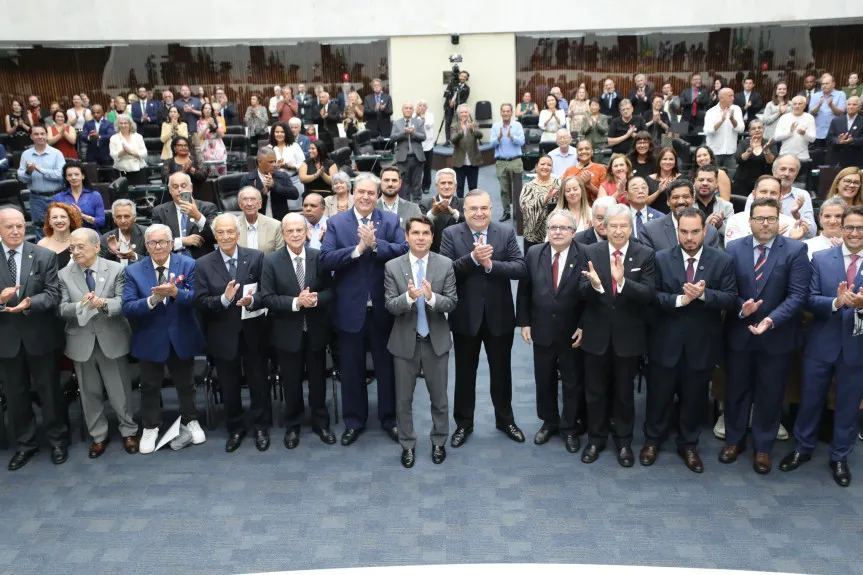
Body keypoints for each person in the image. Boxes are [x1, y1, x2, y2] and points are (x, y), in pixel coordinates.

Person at [641, 207, 737, 472]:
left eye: (695, 232)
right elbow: (651, 298)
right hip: (665, 342)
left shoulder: (722, 261)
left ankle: (689, 445)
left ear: (705, 231)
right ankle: (652, 441)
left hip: (701, 344)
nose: (690, 237)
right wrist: (679, 300)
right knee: (658, 396)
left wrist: (705, 296)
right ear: (676, 231)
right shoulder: (659, 259)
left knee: (694, 399)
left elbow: (731, 299)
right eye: (684, 231)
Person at [721, 197, 809, 474]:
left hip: (776, 336)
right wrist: (741, 308)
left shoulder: (795, 250)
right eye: (759, 218)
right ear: (750, 221)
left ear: (779, 219)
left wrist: (771, 320)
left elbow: (798, 296)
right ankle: (734, 441)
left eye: (771, 218)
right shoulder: (734, 248)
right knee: (736, 392)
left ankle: (763, 447)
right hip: (740, 333)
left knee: (770, 395)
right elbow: (729, 291)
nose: (765, 223)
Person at [319, 172, 408, 445]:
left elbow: (404, 251)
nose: (366, 197)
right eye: (362, 192)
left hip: (384, 309)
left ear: (377, 195)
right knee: (351, 369)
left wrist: (376, 245)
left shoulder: (390, 220)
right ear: (353, 193)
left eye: (372, 193)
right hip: (349, 310)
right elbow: (325, 259)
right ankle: (354, 421)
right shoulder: (336, 223)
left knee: (386, 369)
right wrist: (358, 249)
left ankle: (389, 419)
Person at [780, 205, 863, 486]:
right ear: (840, 228)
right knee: (810, 399)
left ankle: (839, 456)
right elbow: (808, 299)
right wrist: (837, 303)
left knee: (848, 405)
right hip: (820, 343)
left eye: (860, 228)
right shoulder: (820, 258)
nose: (853, 232)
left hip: (856, 347)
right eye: (849, 226)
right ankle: (802, 448)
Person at [439, 189, 528, 448]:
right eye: (473, 209)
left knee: (502, 373)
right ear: (464, 211)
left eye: (484, 208)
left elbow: (520, 268)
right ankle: (463, 424)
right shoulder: (451, 234)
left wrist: (491, 266)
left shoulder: (506, 232)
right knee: (465, 375)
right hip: (465, 318)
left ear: (491, 209)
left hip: (499, 317)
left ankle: (505, 420)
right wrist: (472, 260)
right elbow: (445, 271)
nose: (479, 213)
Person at [578, 203, 656, 467]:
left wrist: (622, 283)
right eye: (614, 226)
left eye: (624, 226)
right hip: (595, 336)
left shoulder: (644, 254)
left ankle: (624, 443)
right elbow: (578, 292)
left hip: (628, 338)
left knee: (624, 394)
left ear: (631, 227)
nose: (619, 231)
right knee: (595, 392)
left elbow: (648, 294)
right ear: (604, 227)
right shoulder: (590, 251)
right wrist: (597, 286)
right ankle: (595, 439)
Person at [121, 223, 206, 454]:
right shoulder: (133, 271)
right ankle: (150, 426)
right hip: (150, 337)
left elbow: (197, 298)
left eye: (163, 242)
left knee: (186, 384)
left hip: (181, 335)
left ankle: (190, 419)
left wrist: (176, 293)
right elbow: (127, 306)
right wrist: (151, 301)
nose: (158, 247)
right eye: (152, 243)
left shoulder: (188, 264)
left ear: (171, 244)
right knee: (149, 386)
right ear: (146, 246)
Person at [58, 228, 139, 458]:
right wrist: (80, 306)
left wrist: (103, 303)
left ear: (96, 247)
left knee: (120, 391)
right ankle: (98, 436)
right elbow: (62, 308)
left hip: (111, 338)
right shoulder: (65, 274)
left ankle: (128, 431)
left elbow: (124, 302)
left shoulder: (115, 269)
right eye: (72, 247)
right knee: (89, 393)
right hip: (81, 341)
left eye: (80, 246)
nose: (75, 252)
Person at [384, 215, 457, 468]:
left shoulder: (445, 264)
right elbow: (391, 306)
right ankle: (407, 445)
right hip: (405, 343)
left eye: (426, 233)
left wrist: (430, 297)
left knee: (440, 399)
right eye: (415, 233)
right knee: (403, 400)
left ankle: (439, 442)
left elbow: (451, 302)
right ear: (406, 236)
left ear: (432, 236)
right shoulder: (393, 266)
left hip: (436, 341)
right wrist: (408, 298)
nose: (421, 238)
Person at [0, 207, 68, 470]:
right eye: (9, 227)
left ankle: (58, 440)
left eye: (20, 225)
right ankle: (25, 444)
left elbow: (53, 294)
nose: (16, 231)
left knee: (49, 393)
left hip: (40, 337)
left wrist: (29, 302)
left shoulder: (43, 255)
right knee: (16, 396)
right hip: (6, 340)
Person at [194, 214, 270, 452]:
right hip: (222, 334)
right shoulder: (203, 263)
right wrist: (223, 299)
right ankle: (235, 428)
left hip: (253, 331)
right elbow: (200, 302)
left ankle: (260, 426)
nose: (226, 236)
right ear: (215, 236)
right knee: (229, 385)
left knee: (258, 382)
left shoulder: (256, 257)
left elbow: (265, 292)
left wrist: (252, 300)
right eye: (221, 232)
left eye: (230, 232)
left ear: (238, 234)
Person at [262, 212, 336, 448]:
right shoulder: (271, 261)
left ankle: (320, 423)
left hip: (315, 331)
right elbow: (267, 298)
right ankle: (292, 425)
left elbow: (331, 291)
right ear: (283, 235)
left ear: (307, 233)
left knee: (318, 381)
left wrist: (314, 300)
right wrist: (296, 302)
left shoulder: (319, 257)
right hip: (286, 332)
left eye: (299, 230)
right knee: (291, 382)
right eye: (290, 231)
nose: (295, 234)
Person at [517, 209, 586, 453]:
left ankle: (569, 427)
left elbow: (592, 298)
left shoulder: (585, 254)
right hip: (542, 328)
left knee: (572, 381)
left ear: (573, 232)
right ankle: (549, 421)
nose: (557, 232)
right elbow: (524, 290)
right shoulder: (535, 253)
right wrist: (524, 322)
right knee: (543, 378)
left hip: (572, 333)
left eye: (563, 228)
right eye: (553, 228)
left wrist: (583, 326)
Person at [741, 154, 817, 239]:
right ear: (773, 170)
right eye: (783, 169)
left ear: (797, 173)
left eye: (792, 170)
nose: (787, 173)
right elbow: (746, 228)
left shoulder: (802, 196)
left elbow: (811, 234)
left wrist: (797, 216)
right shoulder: (756, 195)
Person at [640, 179, 722, 251]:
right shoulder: (650, 230)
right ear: (668, 201)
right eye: (675, 197)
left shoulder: (710, 232)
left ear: (693, 199)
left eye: (686, 197)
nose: (681, 201)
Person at [151, 172, 218, 260]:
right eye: (175, 187)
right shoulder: (159, 211)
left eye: (183, 186)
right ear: (170, 190)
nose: (179, 190)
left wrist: (197, 216)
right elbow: (156, 241)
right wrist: (182, 241)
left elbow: (215, 236)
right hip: (172, 261)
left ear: (191, 188)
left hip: (202, 262)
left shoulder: (208, 207)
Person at [726, 175, 806, 246]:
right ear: (753, 194)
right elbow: (733, 252)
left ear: (780, 197)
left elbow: (792, 256)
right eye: (763, 192)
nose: (768, 196)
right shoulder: (736, 220)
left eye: (773, 193)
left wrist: (791, 241)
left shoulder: (790, 223)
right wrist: (772, 237)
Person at [17, 124, 65, 236]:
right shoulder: (26, 154)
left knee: (59, 228)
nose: (40, 136)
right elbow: (22, 178)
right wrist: (29, 171)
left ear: (46, 135)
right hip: (36, 198)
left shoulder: (56, 153)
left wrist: (40, 169)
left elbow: (61, 175)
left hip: (56, 196)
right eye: (36, 134)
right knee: (39, 229)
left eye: (42, 133)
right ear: (31, 136)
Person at [243, 145, 300, 222]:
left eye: (274, 161)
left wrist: (275, 186)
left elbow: (295, 194)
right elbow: (243, 202)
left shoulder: (282, 176)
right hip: (257, 222)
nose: (274, 164)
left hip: (279, 222)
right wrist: (263, 192)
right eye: (270, 162)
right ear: (260, 162)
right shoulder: (248, 179)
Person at [491, 103, 525, 222]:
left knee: (518, 189)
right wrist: (499, 137)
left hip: (515, 161)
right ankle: (506, 212)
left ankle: (518, 212)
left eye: (508, 111)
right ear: (501, 112)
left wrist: (511, 137)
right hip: (501, 162)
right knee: (504, 190)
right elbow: (492, 144)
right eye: (503, 111)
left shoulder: (517, 125)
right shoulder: (496, 126)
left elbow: (522, 142)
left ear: (511, 113)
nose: (506, 113)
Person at [520, 155, 560, 253]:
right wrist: (544, 199)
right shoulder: (528, 187)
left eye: (549, 165)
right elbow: (524, 207)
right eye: (542, 164)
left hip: (555, 233)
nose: (545, 167)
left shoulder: (558, 184)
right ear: (536, 167)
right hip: (533, 235)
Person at [51, 159, 105, 231]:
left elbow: (101, 222)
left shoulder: (95, 195)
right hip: (67, 234)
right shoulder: (58, 198)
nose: (73, 178)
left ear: (83, 176)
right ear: (66, 178)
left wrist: (82, 216)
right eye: (70, 175)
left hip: (90, 234)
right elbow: (53, 220)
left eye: (76, 174)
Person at [391, 101, 426, 203]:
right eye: (406, 108)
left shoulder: (419, 122)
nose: (408, 110)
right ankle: (405, 209)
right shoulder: (397, 123)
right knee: (404, 186)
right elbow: (392, 138)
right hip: (402, 159)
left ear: (413, 110)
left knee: (416, 186)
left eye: (410, 108)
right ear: (402, 110)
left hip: (416, 158)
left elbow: (423, 137)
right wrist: (404, 132)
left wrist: (413, 133)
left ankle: (418, 210)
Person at [420, 168, 461, 253]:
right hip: (431, 253)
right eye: (443, 183)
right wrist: (433, 212)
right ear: (436, 186)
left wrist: (453, 213)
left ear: (455, 186)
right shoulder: (425, 203)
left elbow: (470, 223)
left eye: (450, 183)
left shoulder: (464, 203)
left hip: (457, 252)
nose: (446, 186)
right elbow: (419, 226)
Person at [732, 119, 777, 197]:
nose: (757, 130)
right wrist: (750, 149)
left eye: (759, 128)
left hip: (763, 183)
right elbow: (739, 159)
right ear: (749, 131)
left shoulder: (770, 143)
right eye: (754, 128)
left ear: (763, 129)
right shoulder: (743, 143)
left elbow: (771, 161)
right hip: (743, 182)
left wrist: (766, 150)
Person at [691, 164, 735, 241]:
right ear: (694, 181)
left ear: (717, 183)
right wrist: (706, 225)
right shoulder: (687, 205)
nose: (705, 183)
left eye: (709, 180)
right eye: (701, 180)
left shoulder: (727, 206)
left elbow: (732, 235)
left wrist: (720, 226)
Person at [236, 187, 285, 254]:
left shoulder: (275, 226)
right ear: (240, 205)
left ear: (260, 204)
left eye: (253, 199)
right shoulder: (233, 225)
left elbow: (280, 255)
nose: (249, 204)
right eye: (245, 199)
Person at [703, 88, 743, 168]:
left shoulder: (736, 109)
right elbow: (707, 131)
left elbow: (741, 129)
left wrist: (732, 119)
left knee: (731, 178)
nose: (733, 98)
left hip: (731, 152)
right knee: (714, 177)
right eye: (730, 96)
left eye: (733, 95)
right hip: (714, 153)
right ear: (721, 98)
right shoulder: (711, 112)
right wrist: (721, 121)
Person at [99, 199, 148, 265]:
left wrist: (134, 256)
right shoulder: (106, 238)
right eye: (119, 217)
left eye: (126, 216)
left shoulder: (147, 234)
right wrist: (112, 252)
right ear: (114, 219)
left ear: (134, 218)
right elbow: (101, 265)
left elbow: (155, 261)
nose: (123, 220)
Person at [773, 96, 816, 164]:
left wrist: (804, 134)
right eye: (795, 104)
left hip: (802, 157)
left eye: (800, 104)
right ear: (792, 105)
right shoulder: (784, 117)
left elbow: (812, 139)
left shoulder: (809, 118)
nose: (797, 106)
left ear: (804, 106)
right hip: (785, 156)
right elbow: (776, 137)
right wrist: (790, 132)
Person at [451, 104, 483, 197]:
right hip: (459, 162)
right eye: (462, 112)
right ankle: (460, 208)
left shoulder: (474, 123)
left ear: (468, 113)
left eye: (465, 112)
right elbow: (453, 140)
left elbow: (480, 135)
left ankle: (472, 206)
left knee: (473, 187)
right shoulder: (454, 126)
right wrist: (461, 131)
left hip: (473, 161)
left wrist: (472, 129)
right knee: (459, 187)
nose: (464, 114)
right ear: (458, 114)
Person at [563, 139, 606, 206]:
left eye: (587, 149)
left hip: (594, 209)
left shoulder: (601, 169)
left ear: (592, 152)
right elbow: (563, 193)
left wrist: (589, 185)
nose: (583, 151)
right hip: (573, 208)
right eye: (580, 149)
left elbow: (605, 196)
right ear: (577, 154)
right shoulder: (569, 171)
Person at [38, 202, 79, 270]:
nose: (59, 220)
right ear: (49, 222)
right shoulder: (42, 244)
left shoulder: (79, 241)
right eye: (54, 217)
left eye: (63, 217)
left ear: (70, 220)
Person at [809, 74, 847, 147]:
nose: (824, 85)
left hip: (835, 132)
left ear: (833, 84)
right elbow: (811, 112)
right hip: (818, 132)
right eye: (823, 84)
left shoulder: (840, 94)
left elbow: (841, 112)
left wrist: (831, 105)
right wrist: (818, 105)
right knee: (818, 155)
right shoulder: (816, 95)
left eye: (827, 83)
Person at [269, 121, 306, 197]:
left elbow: (303, 164)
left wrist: (290, 166)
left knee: (296, 209)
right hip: (276, 184)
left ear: (287, 133)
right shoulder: (269, 147)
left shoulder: (294, 146)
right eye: (277, 132)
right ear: (273, 133)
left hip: (294, 182)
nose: (279, 134)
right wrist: (275, 166)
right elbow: (264, 166)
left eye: (282, 132)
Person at [109, 114, 148, 185]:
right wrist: (123, 152)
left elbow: (144, 153)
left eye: (125, 123)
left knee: (139, 195)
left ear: (130, 124)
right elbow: (113, 155)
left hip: (138, 171)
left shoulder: (138, 137)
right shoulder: (113, 138)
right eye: (121, 123)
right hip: (121, 173)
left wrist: (130, 152)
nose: (123, 125)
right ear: (118, 125)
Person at [827, 95, 863, 168]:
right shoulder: (836, 121)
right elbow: (829, 138)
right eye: (849, 104)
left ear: (860, 107)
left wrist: (852, 140)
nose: (851, 107)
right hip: (838, 160)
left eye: (854, 104)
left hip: (857, 159)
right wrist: (838, 141)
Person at [625, 176, 664, 240]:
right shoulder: (620, 217)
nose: (641, 191)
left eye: (644, 188)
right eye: (635, 188)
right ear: (626, 195)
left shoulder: (660, 217)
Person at [646, 146, 680, 214]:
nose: (667, 162)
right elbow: (644, 203)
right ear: (659, 161)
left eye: (671, 159)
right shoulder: (649, 179)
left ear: (675, 161)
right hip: (654, 217)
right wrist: (659, 191)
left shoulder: (681, 178)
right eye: (664, 159)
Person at [196, 103, 227, 177]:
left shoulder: (218, 120)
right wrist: (206, 126)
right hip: (206, 147)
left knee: (220, 170)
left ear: (212, 111)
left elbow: (222, 135)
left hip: (217, 145)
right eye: (206, 108)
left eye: (209, 108)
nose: (207, 110)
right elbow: (199, 137)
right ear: (202, 110)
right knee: (207, 171)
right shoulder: (199, 122)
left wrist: (213, 124)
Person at [444, 71, 470, 146]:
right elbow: (446, 94)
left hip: (459, 108)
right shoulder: (451, 84)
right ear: (459, 76)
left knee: (459, 123)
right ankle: (448, 140)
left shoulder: (467, 88)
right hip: (449, 107)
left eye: (465, 77)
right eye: (462, 76)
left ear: (466, 79)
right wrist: (450, 101)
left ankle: (458, 140)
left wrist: (455, 103)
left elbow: (464, 99)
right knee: (448, 123)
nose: (463, 78)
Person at [415, 100, 436, 194]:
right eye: (420, 105)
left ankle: (426, 186)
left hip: (428, 145)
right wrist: (417, 116)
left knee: (427, 168)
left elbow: (427, 125)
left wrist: (422, 117)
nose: (422, 107)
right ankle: (416, 186)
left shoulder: (430, 115)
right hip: (417, 146)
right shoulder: (413, 116)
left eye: (424, 105)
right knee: (416, 168)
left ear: (426, 108)